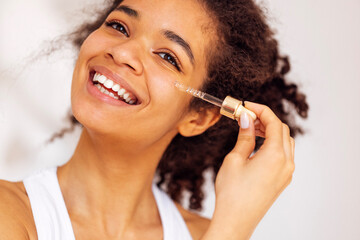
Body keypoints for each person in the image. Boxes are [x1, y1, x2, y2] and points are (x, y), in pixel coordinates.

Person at [0, 0, 309, 239]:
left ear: (198, 117)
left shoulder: (213, 234)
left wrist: (231, 227)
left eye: (167, 57)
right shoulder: (9, 212)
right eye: (119, 27)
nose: (122, 53)